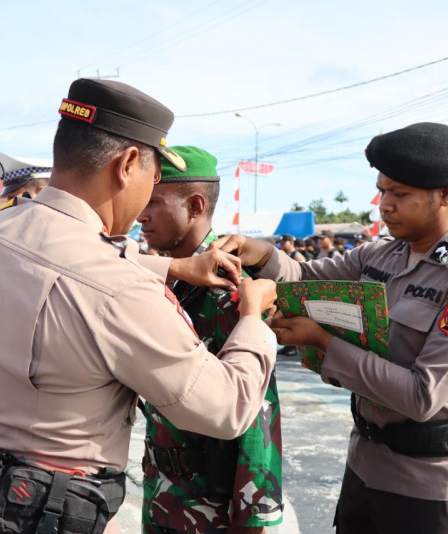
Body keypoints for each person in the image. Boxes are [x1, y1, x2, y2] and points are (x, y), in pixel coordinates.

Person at [0, 78, 278, 533]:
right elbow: (227, 408)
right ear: (128, 164)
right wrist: (254, 318)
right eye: (154, 178)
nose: (143, 206)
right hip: (48, 512)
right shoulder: (118, 289)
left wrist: (173, 268)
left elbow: (71, 261)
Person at [213, 122, 448, 533]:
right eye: (382, 190)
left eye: (399, 194)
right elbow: (303, 275)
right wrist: (260, 253)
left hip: (432, 484)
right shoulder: (382, 255)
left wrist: (322, 341)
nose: (384, 205)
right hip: (366, 464)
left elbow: (423, 395)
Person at [136, 145, 283, 533]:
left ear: (196, 205)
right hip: (163, 491)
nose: (140, 215)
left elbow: (258, 413)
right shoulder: (166, 281)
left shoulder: (232, 293)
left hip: (210, 512)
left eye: (153, 202)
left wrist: (253, 521)